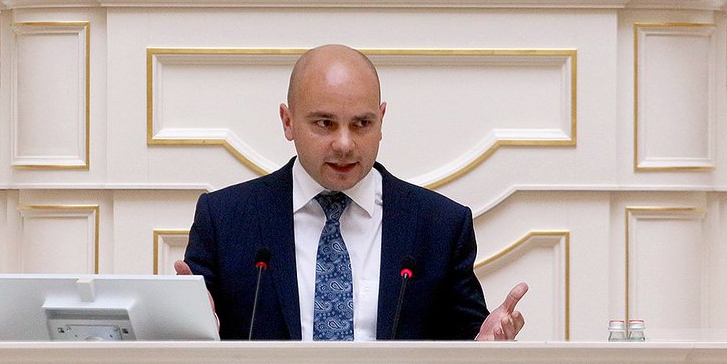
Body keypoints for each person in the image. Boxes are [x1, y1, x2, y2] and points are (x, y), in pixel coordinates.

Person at [175, 44, 526, 341]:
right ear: (288, 121)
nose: (344, 144)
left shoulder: (439, 225)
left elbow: (466, 348)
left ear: (381, 120)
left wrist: (484, 343)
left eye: (362, 124)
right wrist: (186, 327)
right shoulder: (225, 219)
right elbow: (188, 347)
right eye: (325, 123)